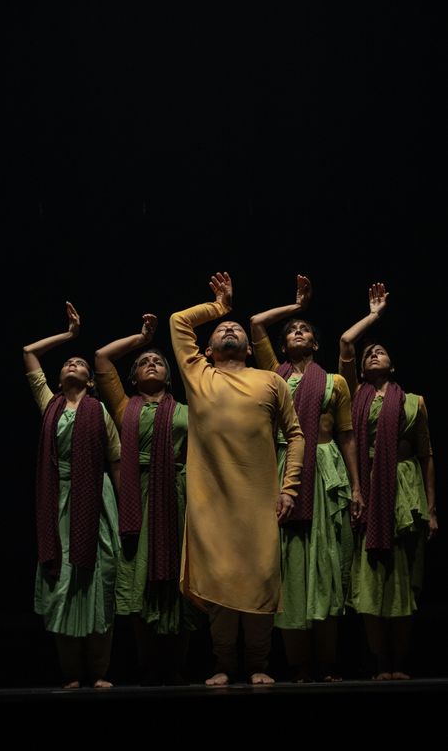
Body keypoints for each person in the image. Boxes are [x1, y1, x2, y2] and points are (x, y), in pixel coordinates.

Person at [169, 271, 304, 686]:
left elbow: (296, 436)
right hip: (211, 503)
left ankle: (259, 662)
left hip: (259, 501)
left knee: (260, 579)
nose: (229, 329)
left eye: (236, 329)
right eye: (221, 329)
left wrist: (289, 488)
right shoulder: (198, 374)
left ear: (249, 348)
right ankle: (224, 664)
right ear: (207, 349)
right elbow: (178, 321)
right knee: (220, 584)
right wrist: (219, 307)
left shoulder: (271, 380)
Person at [250, 274, 361, 682]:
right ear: (282, 347)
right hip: (283, 470)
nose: (298, 332)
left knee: (325, 562)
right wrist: (297, 307)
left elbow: (347, 435)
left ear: (315, 344)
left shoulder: (334, 382)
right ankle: (298, 664)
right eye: (292, 330)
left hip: (325, 470)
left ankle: (327, 662)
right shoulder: (272, 375)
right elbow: (256, 324)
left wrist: (357, 487)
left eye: (305, 329)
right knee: (291, 565)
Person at [339, 282, 438, 680]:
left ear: (392, 366)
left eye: (380, 351)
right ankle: (380, 662)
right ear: (361, 369)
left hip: (405, 493)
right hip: (368, 490)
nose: (374, 354)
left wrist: (432, 509)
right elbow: (347, 341)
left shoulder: (414, 402)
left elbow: (427, 455)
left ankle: (401, 662)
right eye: (369, 354)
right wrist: (374, 315)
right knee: (370, 581)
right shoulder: (352, 394)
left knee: (403, 579)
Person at [23, 301, 121, 689]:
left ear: (91, 381)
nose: (73, 365)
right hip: (58, 500)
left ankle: (99, 671)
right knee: (62, 583)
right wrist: (68, 335)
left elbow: (115, 461)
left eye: (80, 363)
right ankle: (72, 674)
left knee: (100, 579)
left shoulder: (99, 412)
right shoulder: (50, 405)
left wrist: (125, 511)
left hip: (96, 501)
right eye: (67, 363)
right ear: (59, 378)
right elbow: (29, 353)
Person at [95, 314, 194, 685]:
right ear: (133, 379)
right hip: (137, 498)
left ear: (169, 378)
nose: (151, 363)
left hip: (179, 494)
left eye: (158, 362)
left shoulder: (188, 410)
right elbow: (102, 358)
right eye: (143, 363)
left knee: (177, 579)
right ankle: (148, 666)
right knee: (139, 578)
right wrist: (141, 338)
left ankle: (177, 666)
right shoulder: (125, 408)